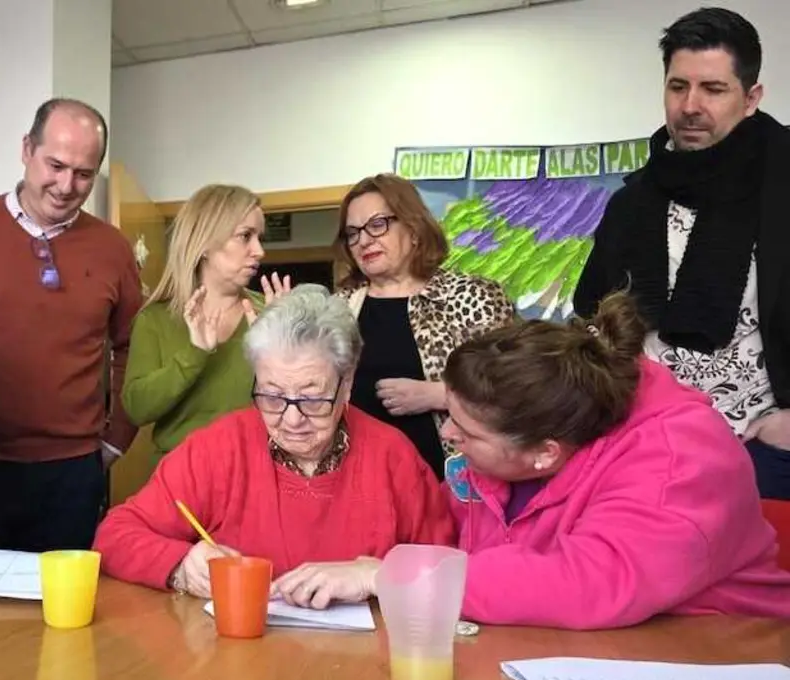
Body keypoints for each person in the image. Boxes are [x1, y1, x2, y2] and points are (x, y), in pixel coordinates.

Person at [287, 293, 790, 627]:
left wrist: (387, 575)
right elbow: (441, 532)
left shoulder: (681, 458)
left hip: (710, 660)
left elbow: (589, 583)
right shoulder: (504, 451)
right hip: (553, 653)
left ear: (544, 452)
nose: (447, 433)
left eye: (467, 430)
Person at [94, 285, 455, 604]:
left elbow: (450, 571)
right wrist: (180, 565)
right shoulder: (219, 447)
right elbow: (114, 536)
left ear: (346, 384)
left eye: (313, 400)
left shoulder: (393, 457)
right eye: (272, 396)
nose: (292, 419)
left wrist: (377, 574)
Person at [573, 8, 790, 500]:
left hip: (764, 452)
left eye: (713, 89)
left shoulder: (783, 184)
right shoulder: (632, 202)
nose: (691, 105)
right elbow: (589, 313)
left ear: (751, 97)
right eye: (678, 87)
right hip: (651, 447)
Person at [0, 98, 141, 566]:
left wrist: (115, 440)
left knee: (64, 617)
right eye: (56, 165)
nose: (67, 186)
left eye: (84, 174)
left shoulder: (112, 248)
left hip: (70, 473)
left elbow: (133, 346)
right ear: (27, 149)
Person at [336, 173, 514, 479]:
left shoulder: (473, 296)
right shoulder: (338, 307)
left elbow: (522, 385)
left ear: (414, 228)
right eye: (353, 233)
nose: (364, 240)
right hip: (359, 485)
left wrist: (441, 395)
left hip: (453, 487)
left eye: (377, 225)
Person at [122, 184, 291, 467]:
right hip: (178, 482)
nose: (259, 251)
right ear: (204, 244)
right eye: (245, 236)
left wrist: (284, 346)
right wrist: (194, 354)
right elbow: (136, 409)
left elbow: (302, 405)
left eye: (259, 237)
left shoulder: (273, 314)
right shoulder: (155, 319)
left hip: (256, 474)